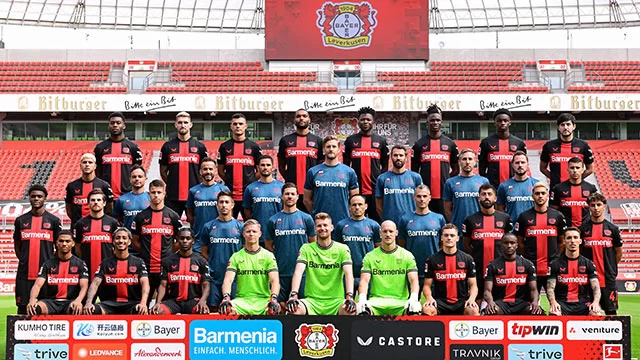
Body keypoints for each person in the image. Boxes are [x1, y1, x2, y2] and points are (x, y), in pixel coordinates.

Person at [286, 213, 356, 315]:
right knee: (293, 310)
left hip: (336, 301)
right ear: (314, 229)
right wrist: (293, 295)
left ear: (331, 228)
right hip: (311, 301)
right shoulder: (306, 248)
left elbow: (348, 273)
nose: (322, 228)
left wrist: (349, 296)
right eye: (319, 226)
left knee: (350, 311)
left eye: (325, 225)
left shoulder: (342, 249)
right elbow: (298, 272)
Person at [14, 185, 62, 314]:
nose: (36, 199)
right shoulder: (20, 221)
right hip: (25, 274)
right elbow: (17, 246)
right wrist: (24, 260)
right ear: (29, 198)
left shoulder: (54, 221)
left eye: (39, 196)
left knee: (47, 308)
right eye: (33, 196)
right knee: (23, 308)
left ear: (45, 198)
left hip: (46, 274)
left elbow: (60, 246)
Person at [266, 183, 316, 306]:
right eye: (287, 194)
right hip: (281, 272)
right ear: (282, 196)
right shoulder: (273, 220)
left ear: (297, 197)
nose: (289, 196)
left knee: (302, 305)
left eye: (292, 194)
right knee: (280, 306)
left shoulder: (306, 218)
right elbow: (268, 245)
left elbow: (313, 243)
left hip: (303, 273)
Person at [357, 220, 421, 316]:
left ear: (396, 233)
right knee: (362, 312)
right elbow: (364, 281)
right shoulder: (370, 256)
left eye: (391, 231)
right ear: (380, 233)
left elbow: (414, 281)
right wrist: (362, 298)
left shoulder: (407, 255)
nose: (388, 234)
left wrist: (414, 298)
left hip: (401, 302)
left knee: (414, 312)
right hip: (376, 302)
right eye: (385, 231)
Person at [131, 179, 182, 300]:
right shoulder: (140, 217)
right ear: (149, 194)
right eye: (153, 192)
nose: (156, 195)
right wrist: (144, 251)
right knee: (143, 300)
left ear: (164, 194)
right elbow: (134, 241)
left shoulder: (173, 216)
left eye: (159, 192)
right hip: (146, 266)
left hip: (166, 266)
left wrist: (169, 251)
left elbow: (181, 240)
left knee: (165, 302)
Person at [219, 220, 281, 315]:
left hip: (263, 300)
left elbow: (275, 281)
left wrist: (274, 298)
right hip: (242, 301)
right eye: (248, 231)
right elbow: (228, 280)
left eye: (254, 231)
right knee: (226, 310)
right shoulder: (236, 256)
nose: (251, 234)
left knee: (274, 310)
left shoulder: (268, 256)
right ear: (243, 234)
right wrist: (226, 298)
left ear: (260, 234)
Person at [463, 184, 513, 301]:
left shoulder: (505, 218)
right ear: (478, 198)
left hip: (501, 269)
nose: (486, 197)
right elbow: (466, 244)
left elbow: (510, 243)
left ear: (495, 198)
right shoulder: (470, 220)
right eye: (483, 194)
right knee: (477, 301)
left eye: (489, 194)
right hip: (479, 268)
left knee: (500, 302)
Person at [515, 182, 567, 293]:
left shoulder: (557, 216)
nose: (540, 196)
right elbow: (519, 242)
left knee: (556, 301)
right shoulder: (524, 216)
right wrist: (528, 257)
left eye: (543, 193)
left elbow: (562, 242)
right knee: (531, 303)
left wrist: (556, 258)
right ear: (532, 196)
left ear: (547, 195)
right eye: (537, 193)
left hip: (552, 266)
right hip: (531, 267)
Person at [84, 227, 150, 315]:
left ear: (129, 242)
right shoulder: (105, 263)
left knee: (141, 311)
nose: (121, 241)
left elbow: (145, 284)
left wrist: (143, 303)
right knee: (91, 311)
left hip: (131, 304)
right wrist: (89, 302)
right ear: (113, 241)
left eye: (124, 238)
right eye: (117, 238)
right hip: (108, 305)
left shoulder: (138, 262)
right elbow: (95, 284)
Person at [197, 191, 244, 310]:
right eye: (221, 202)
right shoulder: (208, 226)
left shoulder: (240, 227)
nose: (224, 205)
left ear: (232, 205)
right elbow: (204, 251)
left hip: (235, 278)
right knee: (213, 309)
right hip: (215, 277)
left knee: (233, 309)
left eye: (227, 202)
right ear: (217, 205)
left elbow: (244, 250)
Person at [411, 104, 459, 215]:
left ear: (441, 122)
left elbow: (456, 170)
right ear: (427, 122)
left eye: (438, 120)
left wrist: (447, 180)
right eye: (432, 120)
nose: (435, 123)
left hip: (445, 194)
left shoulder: (450, 144)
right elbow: (414, 171)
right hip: (425, 196)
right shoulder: (419, 144)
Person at [580, 192, 623, 315]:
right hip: (587, 278)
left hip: (607, 278)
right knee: (588, 312)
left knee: (611, 312)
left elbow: (618, 252)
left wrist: (611, 267)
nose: (596, 208)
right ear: (589, 207)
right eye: (593, 205)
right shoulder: (583, 229)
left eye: (599, 204)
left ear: (604, 206)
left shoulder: (612, 229)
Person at [26, 231, 89, 315]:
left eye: (67, 241)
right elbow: (37, 285)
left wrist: (78, 300)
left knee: (77, 309)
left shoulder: (80, 264)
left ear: (73, 243)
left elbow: (84, 286)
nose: (64, 244)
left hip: (70, 302)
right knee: (34, 309)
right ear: (56, 243)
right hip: (50, 302)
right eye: (61, 241)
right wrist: (32, 300)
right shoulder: (48, 264)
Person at [344, 106, 389, 222]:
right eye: (363, 119)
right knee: (355, 221)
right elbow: (345, 165)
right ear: (358, 121)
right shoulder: (350, 140)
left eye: (368, 119)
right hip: (356, 190)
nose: (365, 122)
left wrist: (380, 183)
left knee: (377, 222)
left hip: (375, 190)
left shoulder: (381, 141)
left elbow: (384, 165)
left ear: (373, 121)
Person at [423, 224, 479, 316]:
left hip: (461, 302)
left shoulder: (467, 259)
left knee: (473, 310)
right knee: (427, 309)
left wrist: (472, 299)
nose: (449, 238)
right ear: (441, 238)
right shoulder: (432, 260)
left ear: (457, 238)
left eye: (452, 235)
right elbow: (426, 286)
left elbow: (473, 285)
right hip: (440, 302)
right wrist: (429, 298)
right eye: (446, 235)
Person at [159, 111, 208, 217]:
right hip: (173, 196)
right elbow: (163, 171)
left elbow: (205, 170)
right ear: (175, 125)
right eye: (180, 122)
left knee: (195, 226)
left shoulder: (200, 147)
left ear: (190, 125)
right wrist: (172, 183)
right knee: (171, 226)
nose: (183, 125)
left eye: (185, 122)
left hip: (195, 195)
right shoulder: (167, 146)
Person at [152, 227, 210, 314]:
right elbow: (163, 285)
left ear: (193, 241)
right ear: (177, 240)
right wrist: (158, 303)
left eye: (188, 238)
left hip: (192, 301)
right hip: (172, 302)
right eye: (182, 238)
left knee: (203, 311)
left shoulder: (201, 261)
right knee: (157, 312)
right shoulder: (167, 261)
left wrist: (202, 301)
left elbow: (206, 285)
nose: (185, 241)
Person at [398, 185, 445, 290]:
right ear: (414, 198)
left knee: (434, 304)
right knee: (411, 304)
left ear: (430, 198)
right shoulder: (405, 219)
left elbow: (443, 243)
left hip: (434, 267)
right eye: (419, 196)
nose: (422, 199)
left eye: (424, 196)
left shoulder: (439, 218)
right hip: (412, 267)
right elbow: (402, 244)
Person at [484, 233, 543, 315]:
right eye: (506, 243)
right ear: (501, 245)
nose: (509, 246)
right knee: (492, 311)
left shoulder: (527, 264)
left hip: (521, 303)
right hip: (501, 304)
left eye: (512, 243)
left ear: (517, 245)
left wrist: (535, 302)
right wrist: (490, 303)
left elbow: (533, 289)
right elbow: (487, 290)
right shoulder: (492, 265)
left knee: (536, 312)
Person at [304, 135, 359, 224]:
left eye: (334, 146)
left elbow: (355, 199)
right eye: (328, 146)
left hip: (343, 220)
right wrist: (315, 214)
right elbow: (306, 200)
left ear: (339, 149)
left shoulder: (349, 172)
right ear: (323, 150)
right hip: (321, 223)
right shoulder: (313, 171)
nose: (331, 149)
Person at [547, 227, 602, 316]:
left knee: (596, 313)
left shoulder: (588, 264)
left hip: (583, 304)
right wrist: (553, 302)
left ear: (580, 241)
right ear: (564, 241)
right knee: (554, 313)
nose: (572, 241)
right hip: (563, 304)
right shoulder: (555, 264)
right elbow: (550, 288)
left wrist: (595, 302)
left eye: (575, 237)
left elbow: (596, 287)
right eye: (569, 238)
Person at [278, 109, 324, 212]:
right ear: (294, 120)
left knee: (313, 220)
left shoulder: (318, 141)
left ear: (309, 119)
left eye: (304, 116)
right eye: (298, 116)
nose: (301, 118)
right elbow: (281, 165)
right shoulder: (285, 140)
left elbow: (321, 165)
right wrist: (289, 178)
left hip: (313, 190)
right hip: (292, 192)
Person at [217, 113, 263, 218]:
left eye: (240, 124)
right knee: (229, 226)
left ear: (245, 126)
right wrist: (229, 180)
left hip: (248, 194)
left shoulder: (254, 147)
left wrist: (250, 181)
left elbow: (259, 170)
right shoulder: (224, 147)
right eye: (235, 124)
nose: (238, 126)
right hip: (230, 195)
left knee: (250, 225)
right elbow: (220, 171)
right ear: (231, 126)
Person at [334, 194, 381, 291]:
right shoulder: (341, 225)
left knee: (366, 304)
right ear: (349, 207)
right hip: (346, 272)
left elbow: (379, 249)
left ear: (366, 206)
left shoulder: (374, 225)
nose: (357, 207)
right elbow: (335, 249)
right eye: (354, 205)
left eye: (360, 204)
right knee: (346, 304)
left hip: (367, 272)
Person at [94, 112, 143, 199]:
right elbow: (98, 171)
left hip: (128, 195)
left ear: (124, 125)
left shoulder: (133, 147)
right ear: (109, 126)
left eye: (118, 123)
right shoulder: (100, 147)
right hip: (107, 196)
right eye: (112, 123)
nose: (115, 125)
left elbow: (137, 169)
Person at [540, 113, 594, 190]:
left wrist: (576, 179)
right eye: (562, 125)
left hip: (576, 189)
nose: (565, 127)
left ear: (574, 126)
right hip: (556, 189)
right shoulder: (549, 146)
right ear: (558, 127)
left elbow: (590, 169)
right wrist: (555, 179)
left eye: (568, 124)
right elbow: (542, 168)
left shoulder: (583, 146)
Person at [73, 189, 120, 278]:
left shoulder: (113, 223)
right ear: (88, 203)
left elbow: (117, 246)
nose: (96, 202)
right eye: (93, 200)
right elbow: (78, 248)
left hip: (109, 269)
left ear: (104, 203)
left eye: (99, 200)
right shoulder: (80, 224)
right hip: (87, 268)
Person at [443, 149, 490, 235]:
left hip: (479, 228)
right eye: (464, 159)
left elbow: (488, 207)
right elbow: (447, 209)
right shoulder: (450, 182)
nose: (467, 162)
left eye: (470, 159)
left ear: (475, 162)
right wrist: (454, 223)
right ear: (459, 162)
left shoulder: (483, 181)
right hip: (458, 229)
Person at [186, 157, 230, 247]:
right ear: (200, 171)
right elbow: (190, 215)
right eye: (205, 169)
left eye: (210, 169)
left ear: (215, 171)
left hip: (219, 237)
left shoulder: (223, 189)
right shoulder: (193, 191)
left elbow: (229, 213)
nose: (208, 171)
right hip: (199, 237)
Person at [478, 108, 527, 188]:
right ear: (495, 123)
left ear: (509, 122)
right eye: (499, 121)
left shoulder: (519, 143)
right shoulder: (486, 142)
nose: (502, 123)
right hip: (493, 188)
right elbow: (482, 168)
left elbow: (524, 166)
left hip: (515, 186)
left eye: (505, 120)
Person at [376, 145, 423, 226]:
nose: (398, 158)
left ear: (406, 157)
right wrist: (386, 219)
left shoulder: (415, 177)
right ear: (391, 157)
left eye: (401, 155)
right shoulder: (382, 178)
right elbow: (379, 206)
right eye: (395, 155)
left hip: (411, 223)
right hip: (390, 225)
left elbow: (422, 200)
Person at [243, 155, 284, 246]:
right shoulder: (250, 188)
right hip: (258, 235)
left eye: (268, 165)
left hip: (278, 233)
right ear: (257, 167)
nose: (265, 167)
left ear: (273, 167)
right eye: (262, 165)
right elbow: (247, 210)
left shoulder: (281, 186)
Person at [65, 153, 114, 228]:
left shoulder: (104, 185)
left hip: (99, 226)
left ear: (95, 166)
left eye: (90, 162)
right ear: (80, 165)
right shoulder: (72, 186)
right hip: (77, 226)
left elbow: (109, 208)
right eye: (84, 162)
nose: (87, 165)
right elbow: (69, 209)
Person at [551, 157, 597, 228]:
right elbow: (553, 211)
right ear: (568, 170)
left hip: (585, 229)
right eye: (572, 168)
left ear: (582, 170)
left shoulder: (591, 188)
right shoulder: (558, 188)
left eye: (577, 168)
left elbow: (596, 209)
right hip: (565, 229)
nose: (575, 170)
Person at [496, 151, 539, 222]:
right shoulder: (504, 186)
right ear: (512, 165)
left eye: (523, 162)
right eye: (517, 163)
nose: (520, 165)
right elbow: (500, 210)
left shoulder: (536, 184)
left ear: (527, 164)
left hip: (531, 228)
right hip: (512, 230)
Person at [113, 165, 150, 231]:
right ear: (130, 179)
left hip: (145, 238)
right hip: (128, 238)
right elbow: (117, 220)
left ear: (145, 179)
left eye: (140, 176)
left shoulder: (151, 198)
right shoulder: (121, 200)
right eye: (134, 177)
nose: (137, 179)